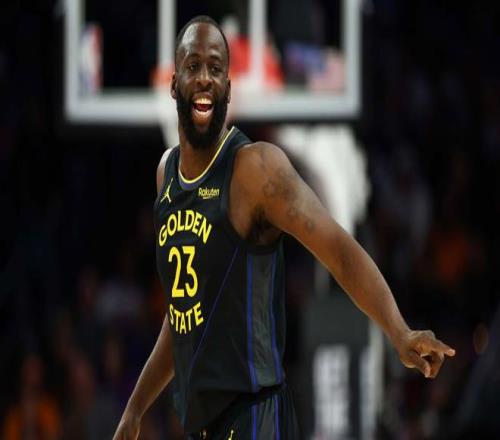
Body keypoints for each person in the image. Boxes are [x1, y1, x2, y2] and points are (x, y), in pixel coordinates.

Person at [113, 15, 455, 440]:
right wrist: (135, 408)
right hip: (202, 423)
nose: (204, 78)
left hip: (255, 416)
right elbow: (183, 313)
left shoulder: (256, 169)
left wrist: (398, 330)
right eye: (193, 66)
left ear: (229, 88)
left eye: (215, 67)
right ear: (173, 82)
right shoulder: (166, 175)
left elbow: (337, 248)